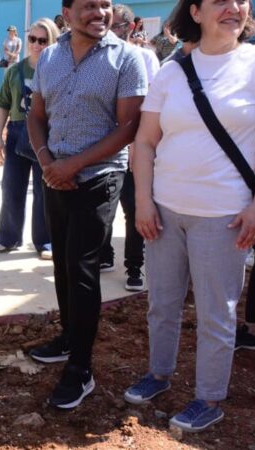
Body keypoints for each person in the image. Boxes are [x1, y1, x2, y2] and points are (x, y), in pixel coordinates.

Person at [123, 0, 255, 432]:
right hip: (165, 211)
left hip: (224, 216)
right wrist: (144, 201)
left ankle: (209, 398)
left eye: (240, 0)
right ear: (196, 13)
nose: (234, 7)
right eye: (220, 0)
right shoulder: (172, 72)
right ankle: (158, 374)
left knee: (215, 313)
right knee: (162, 303)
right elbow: (145, 141)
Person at [26, 0, 147, 409]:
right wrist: (48, 161)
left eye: (105, 4)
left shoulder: (126, 58)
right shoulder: (50, 57)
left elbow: (128, 127)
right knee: (62, 263)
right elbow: (35, 115)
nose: (100, 12)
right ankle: (67, 338)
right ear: (66, 12)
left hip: (99, 177)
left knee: (81, 269)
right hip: (54, 174)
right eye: (89, 5)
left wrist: (73, 165)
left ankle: (81, 369)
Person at [99, 4, 160, 291]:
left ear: (131, 27)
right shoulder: (99, 56)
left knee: (134, 209)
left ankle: (134, 266)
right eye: (109, 26)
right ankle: (104, 254)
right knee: (104, 208)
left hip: (136, 145)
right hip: (105, 146)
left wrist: (139, 146)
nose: (112, 32)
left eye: (118, 27)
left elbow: (151, 105)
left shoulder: (145, 58)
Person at [0, 19, 59, 260]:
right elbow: (3, 105)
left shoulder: (57, 71)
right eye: (32, 39)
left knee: (44, 191)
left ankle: (44, 242)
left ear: (51, 41)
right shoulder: (14, 71)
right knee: (11, 187)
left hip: (46, 135)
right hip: (17, 133)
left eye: (43, 40)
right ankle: (8, 238)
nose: (36, 44)